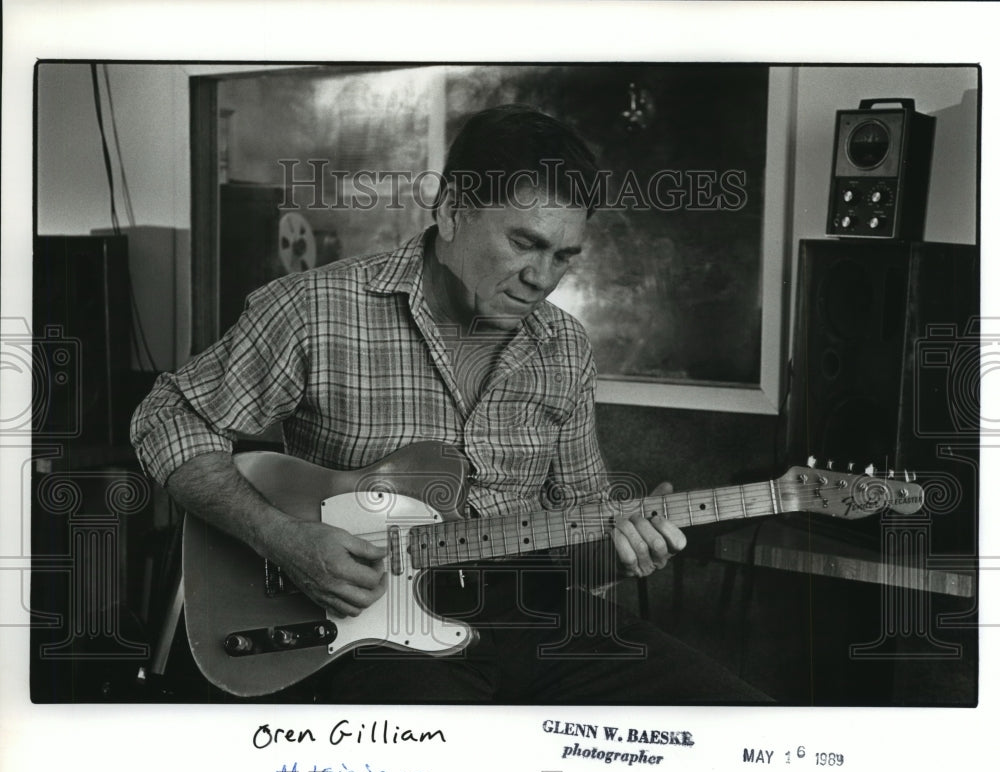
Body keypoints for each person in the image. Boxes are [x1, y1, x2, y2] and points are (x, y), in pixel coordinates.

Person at [131, 104, 766, 703]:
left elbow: (579, 533)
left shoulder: (564, 346)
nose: (543, 277)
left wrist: (625, 549)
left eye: (564, 256)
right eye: (524, 243)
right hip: (366, 622)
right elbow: (167, 418)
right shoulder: (314, 310)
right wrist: (284, 539)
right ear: (454, 210)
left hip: (527, 611)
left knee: (734, 719)